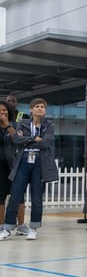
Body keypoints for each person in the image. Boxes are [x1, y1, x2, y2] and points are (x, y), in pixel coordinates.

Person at [0, 98, 59, 241]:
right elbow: (16, 140)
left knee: (37, 197)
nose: (40, 109)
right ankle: (7, 228)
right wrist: (34, 139)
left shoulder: (49, 125)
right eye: (37, 106)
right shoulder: (23, 123)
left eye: (42, 107)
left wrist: (27, 139)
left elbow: (45, 143)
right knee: (15, 194)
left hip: (40, 162)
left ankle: (33, 228)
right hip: (23, 160)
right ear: (31, 110)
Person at [4, 95, 27, 234]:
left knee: (19, 195)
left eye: (13, 101)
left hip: (17, 161)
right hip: (3, 161)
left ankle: (21, 225)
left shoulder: (23, 116)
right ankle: (3, 225)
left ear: (17, 103)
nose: (11, 103)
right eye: (8, 101)